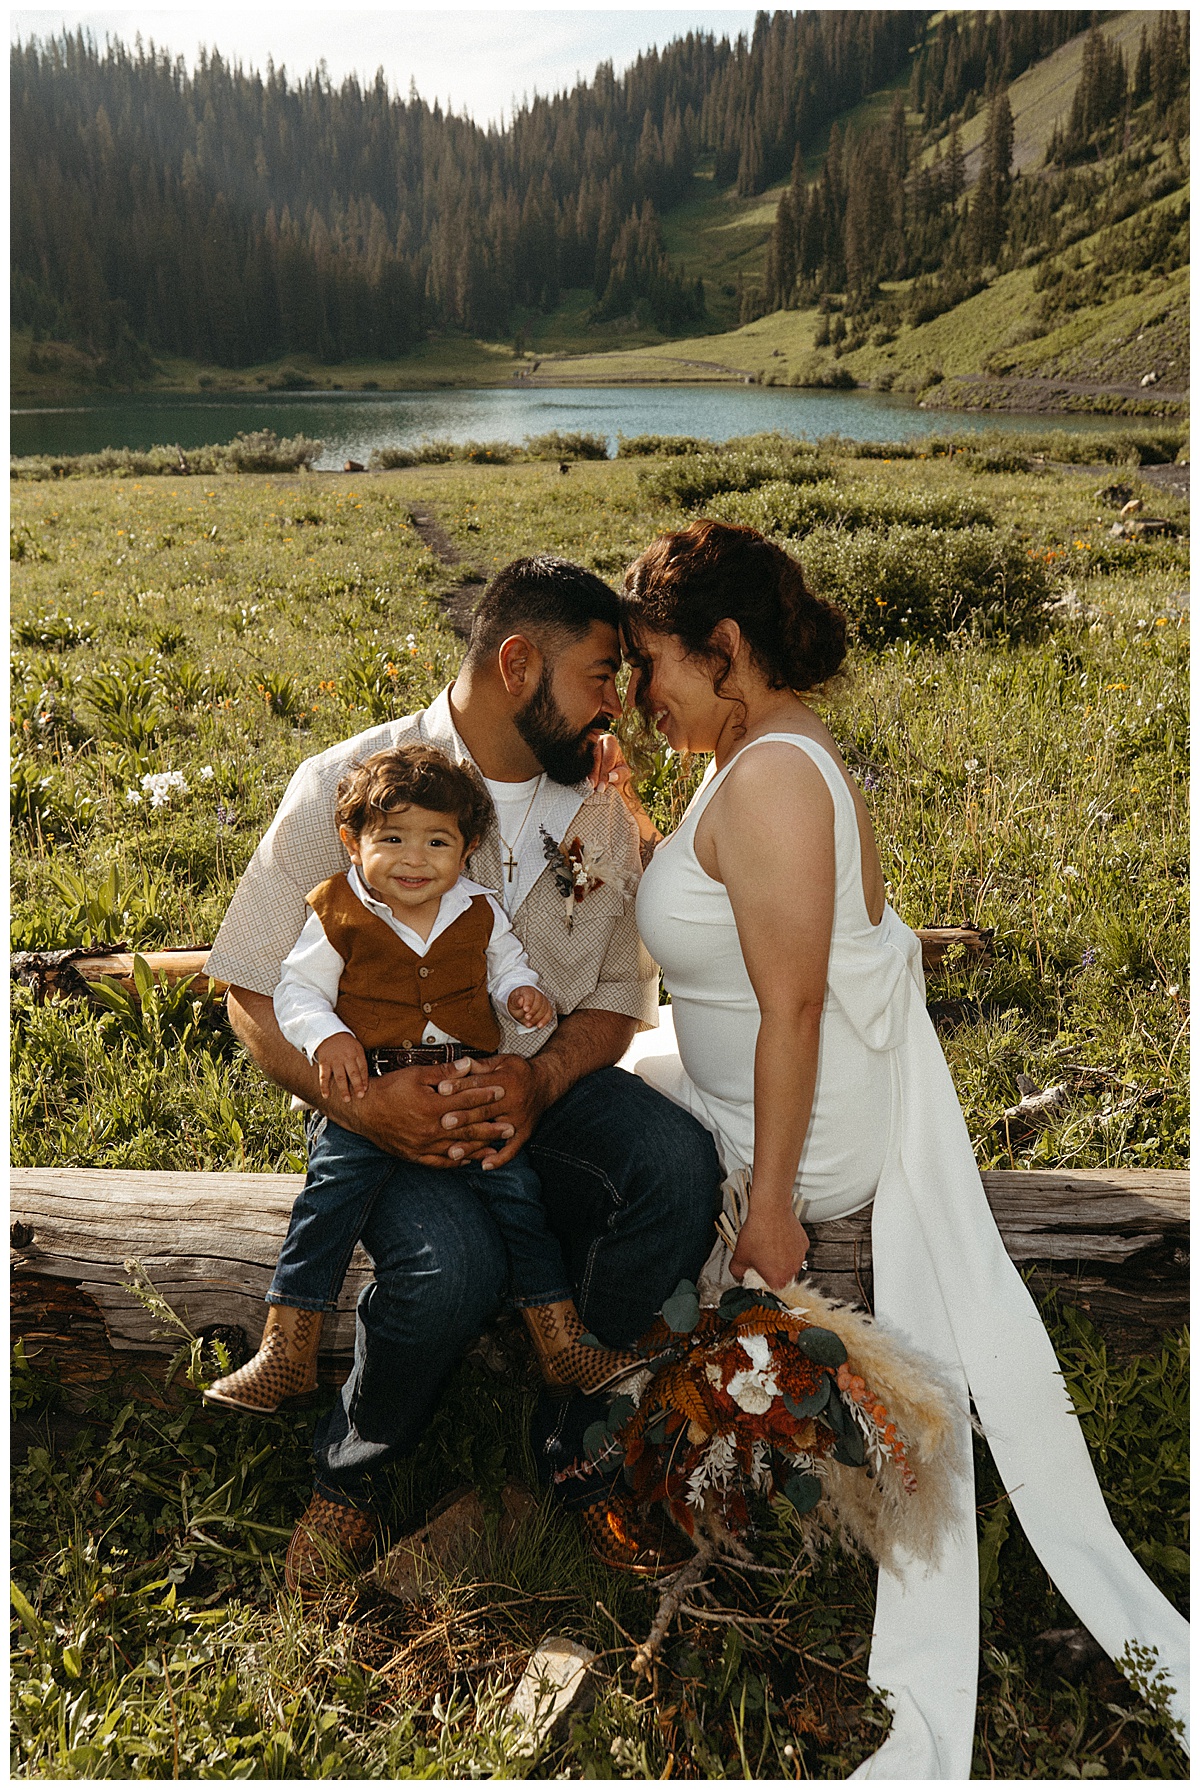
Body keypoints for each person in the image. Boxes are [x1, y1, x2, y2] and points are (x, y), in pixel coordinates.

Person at [610, 518, 1189, 1778]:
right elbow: (740, 917)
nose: (640, 692)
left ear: (723, 649)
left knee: (585, 1126)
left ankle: (609, 1393)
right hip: (775, 1084)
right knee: (601, 1076)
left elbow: (796, 1005)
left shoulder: (767, 776)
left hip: (797, 1130)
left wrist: (770, 1211)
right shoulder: (757, 745)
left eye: (653, 664)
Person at [203, 555, 722, 1593]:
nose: (615, 702)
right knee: (451, 1266)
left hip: (540, 1088)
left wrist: (539, 1083)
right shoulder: (349, 787)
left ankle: (572, 1426)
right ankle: (353, 1473)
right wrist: (365, 1104)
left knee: (675, 1168)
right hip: (385, 1093)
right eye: (599, 674)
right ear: (518, 661)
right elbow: (250, 988)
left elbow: (620, 998)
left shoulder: (603, 813)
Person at [204, 743, 639, 1418]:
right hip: (370, 1090)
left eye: (437, 841)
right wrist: (332, 1037)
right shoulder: (337, 910)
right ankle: (288, 1347)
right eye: (392, 838)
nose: (414, 859)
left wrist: (522, 993)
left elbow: (506, 966)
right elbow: (295, 993)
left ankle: (560, 1341)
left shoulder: (478, 908)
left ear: (466, 851)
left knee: (519, 1199)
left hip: (464, 1084)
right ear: (353, 842)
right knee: (328, 1200)